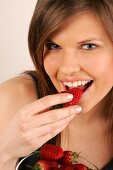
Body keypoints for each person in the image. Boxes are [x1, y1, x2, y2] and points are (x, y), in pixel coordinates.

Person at [0, 0, 113, 169]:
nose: (67, 69)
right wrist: (5, 153)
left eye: (89, 46)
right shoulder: (12, 101)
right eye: (53, 46)